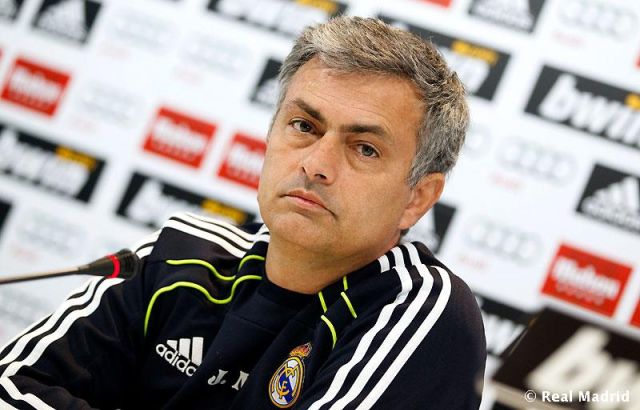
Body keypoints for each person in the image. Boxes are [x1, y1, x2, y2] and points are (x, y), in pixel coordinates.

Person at [0, 16, 486, 409]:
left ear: (418, 198)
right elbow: (11, 386)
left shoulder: (421, 311)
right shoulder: (179, 257)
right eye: (304, 126)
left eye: (364, 149)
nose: (316, 165)